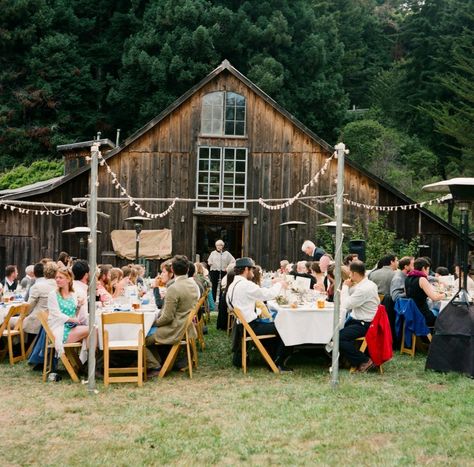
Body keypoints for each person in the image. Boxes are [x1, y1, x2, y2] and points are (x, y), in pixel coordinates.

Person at [226, 257, 292, 372]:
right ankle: (277, 363)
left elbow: (231, 305)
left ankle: (272, 357)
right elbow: (268, 294)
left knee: (276, 324)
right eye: (252, 270)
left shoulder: (233, 285)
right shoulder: (245, 285)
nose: (253, 272)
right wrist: (280, 284)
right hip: (250, 327)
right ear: (246, 269)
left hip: (242, 325)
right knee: (286, 327)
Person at [145, 255, 199, 377]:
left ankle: (155, 365)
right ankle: (160, 361)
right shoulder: (192, 285)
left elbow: (167, 318)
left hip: (174, 329)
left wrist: (151, 323)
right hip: (186, 327)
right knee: (147, 333)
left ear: (173, 270)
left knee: (141, 339)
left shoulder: (174, 288)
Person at [339, 261, 380, 372]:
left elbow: (345, 304)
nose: (349, 276)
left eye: (350, 273)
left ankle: (364, 360)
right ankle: (343, 360)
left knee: (339, 338)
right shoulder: (368, 284)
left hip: (365, 324)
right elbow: (352, 294)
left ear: (354, 274)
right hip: (359, 320)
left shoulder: (364, 289)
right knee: (334, 330)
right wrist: (348, 287)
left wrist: (345, 287)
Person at [47, 267, 89, 360]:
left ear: (69, 279)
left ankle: (86, 362)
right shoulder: (53, 294)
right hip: (59, 329)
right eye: (56, 277)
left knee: (94, 329)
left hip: (71, 326)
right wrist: (72, 319)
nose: (57, 279)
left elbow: (74, 315)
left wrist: (79, 306)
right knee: (92, 330)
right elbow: (56, 314)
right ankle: (88, 363)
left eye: (60, 277)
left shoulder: (73, 294)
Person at [405, 257, 447, 327]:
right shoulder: (422, 279)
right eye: (428, 269)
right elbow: (434, 298)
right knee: (444, 314)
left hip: (411, 315)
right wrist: (445, 294)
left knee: (435, 309)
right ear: (424, 268)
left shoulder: (407, 278)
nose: (428, 272)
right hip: (423, 316)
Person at [24, 262, 58, 335]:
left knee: (6, 319)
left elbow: (28, 308)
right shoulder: (60, 287)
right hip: (53, 324)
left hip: (37, 323)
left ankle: (15, 345)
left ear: (44, 273)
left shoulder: (37, 287)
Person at [72, 260, 89, 325]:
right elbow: (83, 318)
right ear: (86, 275)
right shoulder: (80, 291)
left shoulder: (72, 285)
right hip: (74, 326)